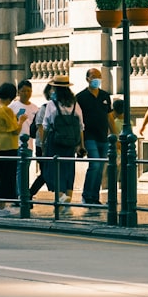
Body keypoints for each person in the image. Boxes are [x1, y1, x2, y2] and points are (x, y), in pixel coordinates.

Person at [41, 75, 85, 215]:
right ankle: (67, 205)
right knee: (68, 170)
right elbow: (81, 126)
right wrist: (81, 144)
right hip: (70, 142)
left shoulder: (51, 104)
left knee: (52, 171)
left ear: (55, 88)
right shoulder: (75, 104)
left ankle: (60, 197)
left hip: (55, 141)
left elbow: (46, 125)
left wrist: (43, 143)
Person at [76, 68, 116, 206]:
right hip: (89, 136)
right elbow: (78, 120)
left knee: (101, 167)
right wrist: (80, 143)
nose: (96, 79)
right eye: (93, 76)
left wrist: (115, 135)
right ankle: (87, 195)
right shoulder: (80, 97)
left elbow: (109, 117)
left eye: (99, 76)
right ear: (87, 79)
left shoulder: (105, 96)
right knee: (95, 164)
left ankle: (94, 196)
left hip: (103, 136)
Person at [0, 82, 26, 217]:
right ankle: (1, 207)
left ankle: (0, 206)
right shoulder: (6, 109)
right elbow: (15, 130)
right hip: (9, 146)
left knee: (1, 178)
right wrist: (21, 120)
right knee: (7, 178)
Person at [9, 80, 40, 197]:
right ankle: (20, 195)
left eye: (28, 91)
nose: (26, 93)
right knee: (19, 169)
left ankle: (23, 193)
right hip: (15, 142)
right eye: (23, 91)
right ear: (18, 92)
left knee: (25, 169)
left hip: (29, 143)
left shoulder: (35, 108)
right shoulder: (12, 106)